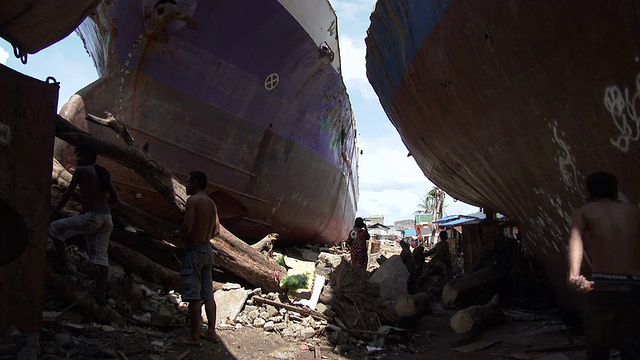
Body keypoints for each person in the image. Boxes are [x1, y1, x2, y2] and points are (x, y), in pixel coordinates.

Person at [567, 172, 640, 359]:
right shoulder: (634, 211)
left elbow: (576, 239)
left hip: (602, 287)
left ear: (589, 191)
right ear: (615, 190)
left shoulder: (584, 211)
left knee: (597, 348)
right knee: (633, 346)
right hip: (634, 286)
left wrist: (574, 275)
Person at [49, 143, 121, 304]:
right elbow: (116, 199)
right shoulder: (101, 172)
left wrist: (53, 213)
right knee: (102, 256)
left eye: (79, 155)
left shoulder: (81, 171)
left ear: (88, 156)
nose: (76, 159)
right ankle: (101, 294)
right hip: (107, 219)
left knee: (54, 228)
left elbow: (67, 194)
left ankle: (63, 264)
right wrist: (102, 209)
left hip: (92, 218)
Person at [172, 170, 220, 346]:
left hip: (194, 251)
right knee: (208, 294)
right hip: (208, 250)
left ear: (196, 183)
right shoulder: (212, 203)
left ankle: (194, 337)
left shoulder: (193, 201)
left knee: (193, 295)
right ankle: (212, 332)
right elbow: (217, 231)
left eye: (188, 181)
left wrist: (179, 234)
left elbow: (187, 227)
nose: (186, 185)